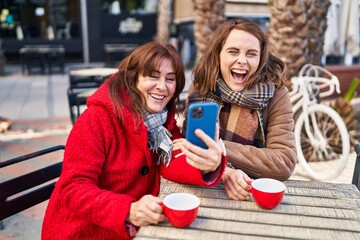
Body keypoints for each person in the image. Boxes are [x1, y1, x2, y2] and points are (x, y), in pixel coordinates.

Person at [42, 41, 226, 240]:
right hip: (81, 232)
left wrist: (207, 165)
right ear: (132, 79)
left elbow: (170, 161)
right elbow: (73, 189)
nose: (162, 87)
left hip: (134, 231)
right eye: (153, 76)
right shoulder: (96, 119)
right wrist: (127, 209)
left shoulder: (163, 120)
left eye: (170, 79)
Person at [185, 18, 296, 201]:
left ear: (261, 59)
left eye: (251, 54)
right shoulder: (201, 88)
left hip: (253, 196)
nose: (242, 60)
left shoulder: (277, 95)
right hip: (207, 192)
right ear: (218, 54)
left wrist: (219, 147)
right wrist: (225, 172)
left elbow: (283, 161)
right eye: (233, 51)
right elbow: (192, 150)